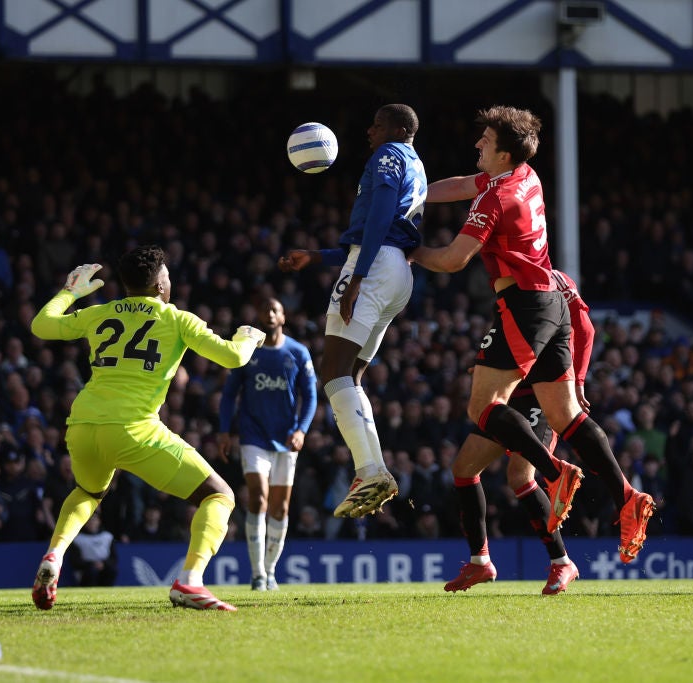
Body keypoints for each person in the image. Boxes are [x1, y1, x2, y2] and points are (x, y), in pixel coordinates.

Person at [411, 105, 654, 565]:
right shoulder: (525, 175)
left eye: (484, 139)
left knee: (482, 408)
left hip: (522, 306)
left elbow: (452, 260)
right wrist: (411, 194)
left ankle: (555, 473)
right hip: (550, 303)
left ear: (503, 153)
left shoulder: (495, 199)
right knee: (565, 416)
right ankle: (627, 495)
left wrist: (410, 250)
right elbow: (463, 184)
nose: (477, 144)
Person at [29, 246, 266, 612]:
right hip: (132, 429)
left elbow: (41, 326)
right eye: (168, 276)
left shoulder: (100, 313)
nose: (170, 281)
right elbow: (232, 357)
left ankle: (54, 556)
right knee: (219, 495)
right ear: (159, 285)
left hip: (82, 425)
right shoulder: (176, 319)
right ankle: (190, 582)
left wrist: (70, 292)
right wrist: (249, 335)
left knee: (89, 492)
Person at [278, 103, 427, 519]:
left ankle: (370, 470)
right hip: (399, 273)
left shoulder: (387, 156)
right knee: (353, 375)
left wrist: (357, 276)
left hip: (374, 267)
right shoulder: (416, 165)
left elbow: (379, 218)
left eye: (377, 124)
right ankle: (373, 470)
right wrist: (318, 255)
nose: (369, 131)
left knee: (333, 373)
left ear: (397, 128)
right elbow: (389, 227)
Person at [444, 270, 592, 595]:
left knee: (520, 476)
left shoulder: (556, 281)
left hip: (542, 394)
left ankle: (562, 562)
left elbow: (585, 327)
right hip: (508, 396)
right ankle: (480, 562)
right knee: (464, 469)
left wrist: (576, 381)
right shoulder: (505, 277)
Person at [216, 298, 317, 591]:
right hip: (253, 436)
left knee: (280, 509)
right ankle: (258, 573)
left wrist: (302, 430)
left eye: (275, 310)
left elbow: (310, 396)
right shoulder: (249, 351)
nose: (270, 315)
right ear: (259, 316)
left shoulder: (298, 352)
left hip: (286, 438)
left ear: (283, 316)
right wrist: (224, 431)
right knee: (257, 498)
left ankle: (270, 572)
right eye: (265, 311)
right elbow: (228, 395)